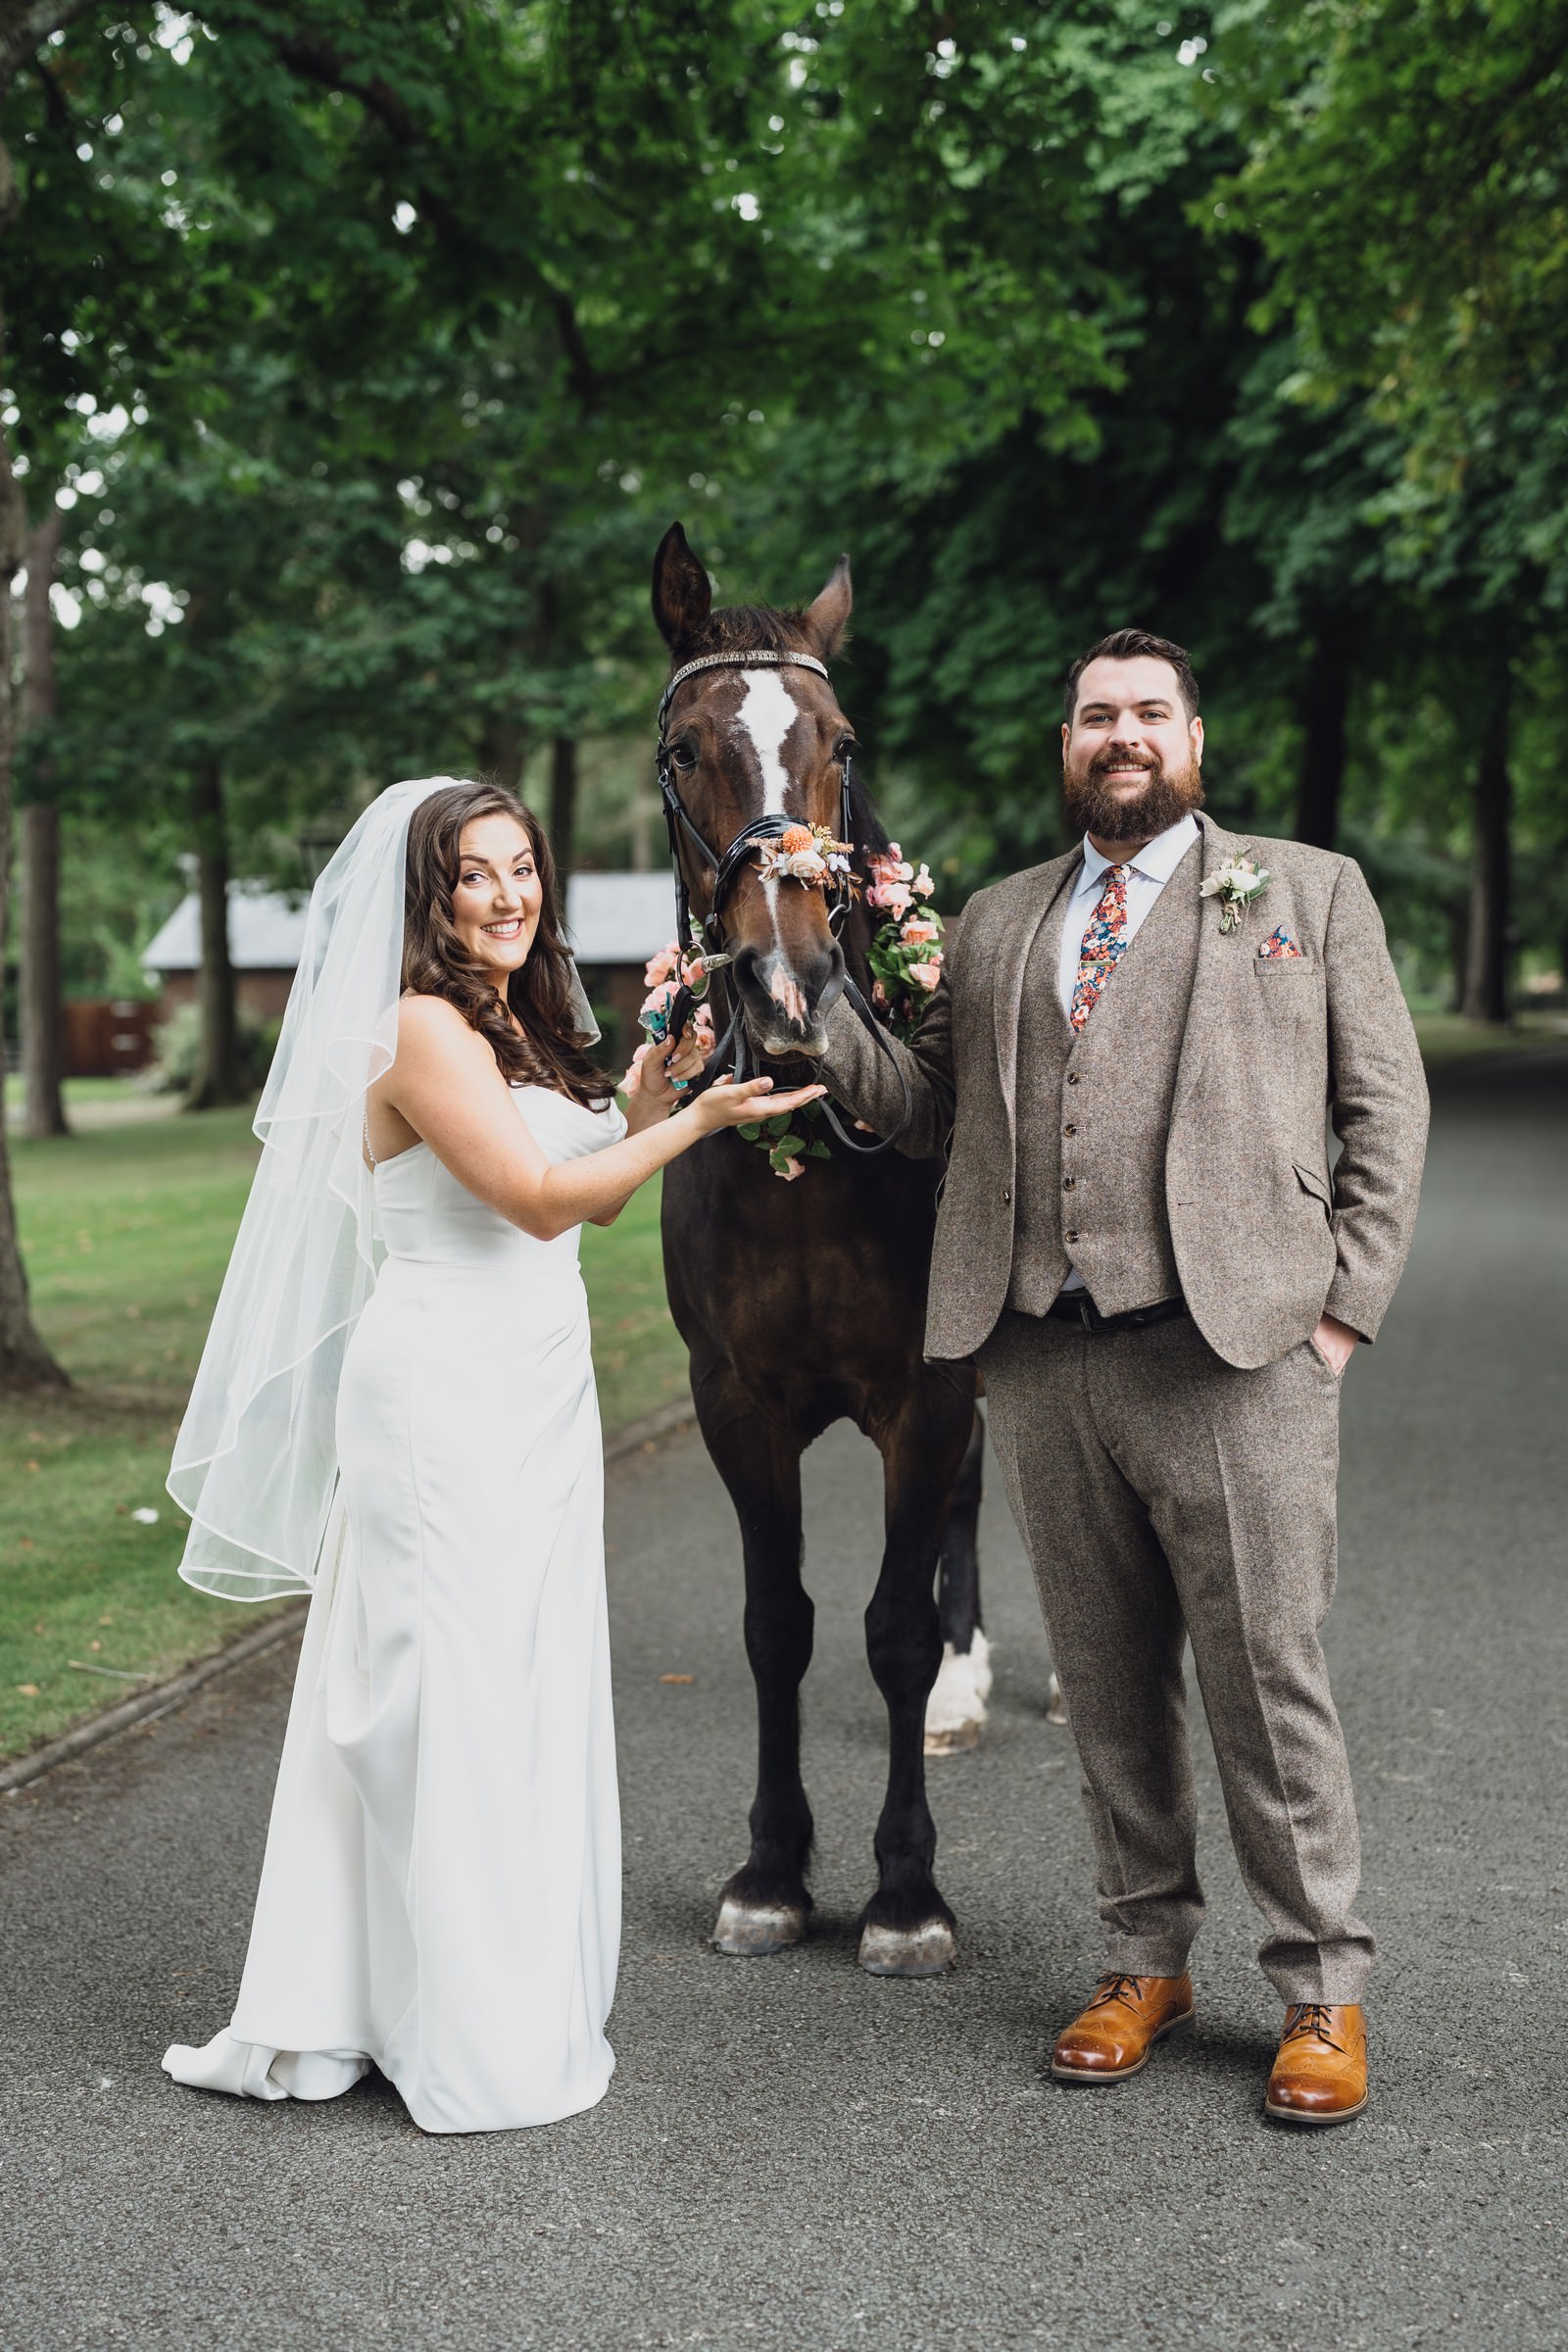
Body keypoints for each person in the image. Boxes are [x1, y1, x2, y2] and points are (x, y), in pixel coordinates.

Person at [818, 631, 1428, 2126]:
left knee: (1265, 1683)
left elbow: (1384, 1107)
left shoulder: (1307, 889)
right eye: (1098, 716)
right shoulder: (1005, 919)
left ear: (1194, 736)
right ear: (1069, 742)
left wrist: (1339, 1313)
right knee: (1103, 1685)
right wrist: (818, 1004)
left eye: (1150, 712)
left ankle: (1319, 1989)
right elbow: (931, 1115)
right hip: (1045, 1355)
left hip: (1238, 1356)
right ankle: (1142, 1957)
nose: (1123, 735)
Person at [163, 776, 820, 2134]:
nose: (512, 894)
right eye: (478, 873)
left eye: (525, 867)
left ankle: (459, 1994)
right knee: (444, 1700)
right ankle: (450, 2028)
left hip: (530, 1392)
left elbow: (574, 1179)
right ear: (429, 894)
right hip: (441, 1399)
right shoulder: (415, 1029)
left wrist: (641, 1099)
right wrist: (696, 1127)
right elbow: (529, 1206)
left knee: (516, 1689)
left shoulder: (509, 1026)